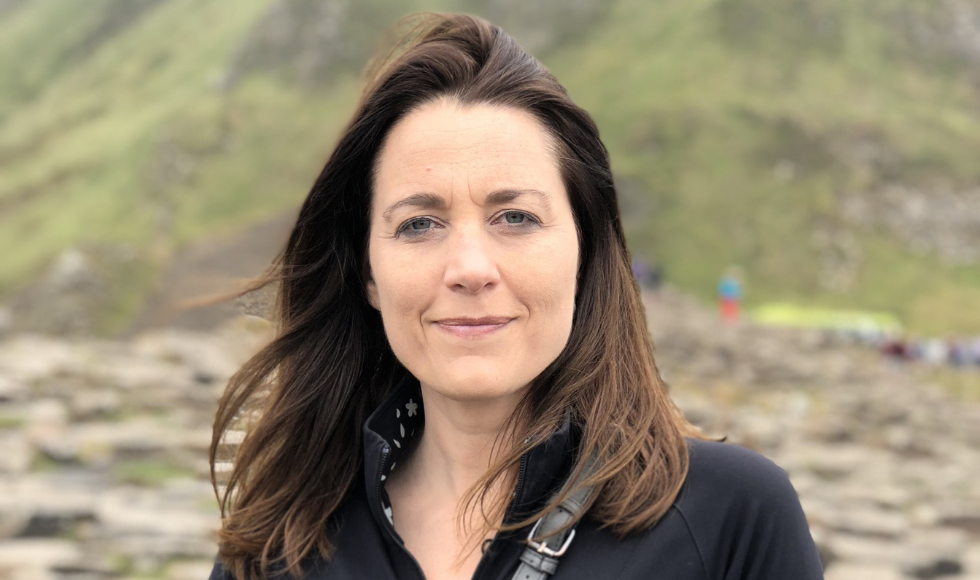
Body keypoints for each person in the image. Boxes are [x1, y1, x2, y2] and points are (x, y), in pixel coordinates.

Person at [208, 14, 823, 580]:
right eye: (419, 224)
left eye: (517, 218)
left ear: (585, 255)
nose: (471, 269)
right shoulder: (280, 539)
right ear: (367, 273)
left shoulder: (733, 518)